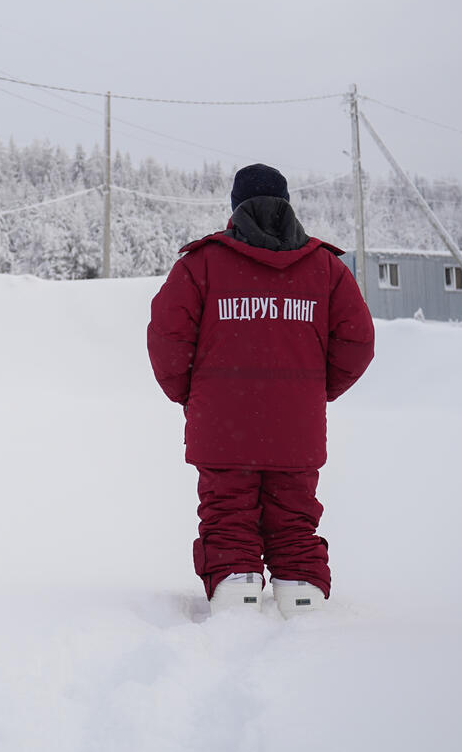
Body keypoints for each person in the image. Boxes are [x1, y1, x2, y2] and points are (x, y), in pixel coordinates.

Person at [147, 163, 374, 617]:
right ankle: (301, 592)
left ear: (234, 209)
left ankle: (236, 587)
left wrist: (190, 394)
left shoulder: (201, 264)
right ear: (287, 205)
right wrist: (312, 392)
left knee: (227, 509)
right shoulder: (325, 269)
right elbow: (357, 341)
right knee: (294, 513)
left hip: (221, 425)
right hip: (296, 427)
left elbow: (167, 338)